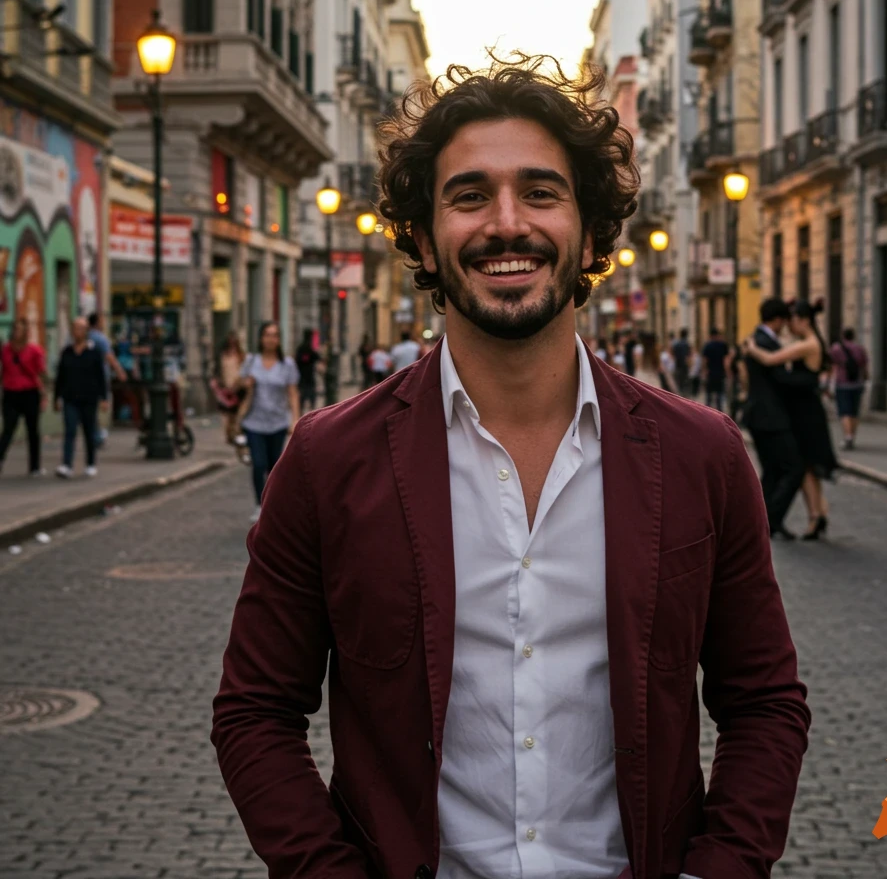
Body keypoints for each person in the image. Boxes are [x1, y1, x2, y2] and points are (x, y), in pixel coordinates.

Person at [212, 54, 810, 879]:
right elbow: (254, 712)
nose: (505, 224)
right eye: (467, 196)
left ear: (592, 230)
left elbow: (765, 703)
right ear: (422, 235)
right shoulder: (327, 461)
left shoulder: (701, 456)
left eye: (540, 191)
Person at [744, 299, 840, 540]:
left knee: (802, 467)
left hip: (805, 413)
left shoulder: (807, 344)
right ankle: (816, 516)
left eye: (793, 320)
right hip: (799, 411)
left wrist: (751, 348)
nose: (788, 325)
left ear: (803, 321)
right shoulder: (803, 343)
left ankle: (812, 517)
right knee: (805, 467)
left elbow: (769, 360)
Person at [239, 322, 300, 522]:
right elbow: (237, 385)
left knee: (274, 467)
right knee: (258, 464)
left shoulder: (287, 364)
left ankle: (272, 505)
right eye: (267, 335)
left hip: (277, 423)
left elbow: (292, 393)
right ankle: (259, 505)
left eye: (275, 335)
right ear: (260, 338)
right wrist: (245, 384)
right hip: (253, 422)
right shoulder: (251, 361)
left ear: (279, 340)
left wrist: (295, 419)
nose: (271, 339)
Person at [53, 317, 108, 479]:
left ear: (86, 332)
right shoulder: (67, 352)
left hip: (89, 398)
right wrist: (57, 397)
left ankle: (90, 464)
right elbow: (60, 376)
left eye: (81, 328)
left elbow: (100, 376)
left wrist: (104, 398)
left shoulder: (94, 352)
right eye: (75, 328)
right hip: (70, 397)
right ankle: (66, 465)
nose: (77, 332)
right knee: (70, 430)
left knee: (88, 431)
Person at [0, 318, 47, 477]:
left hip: (30, 393)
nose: (16, 332)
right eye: (15, 329)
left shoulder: (34, 350)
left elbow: (41, 372)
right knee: (8, 429)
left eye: (20, 329)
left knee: (33, 430)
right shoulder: (5, 350)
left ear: (26, 332)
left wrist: (44, 394)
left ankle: (34, 466)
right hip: (10, 393)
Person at [87, 311, 127, 447]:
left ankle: (94, 435)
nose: (104, 322)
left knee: (90, 408)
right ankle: (97, 436)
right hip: (100, 378)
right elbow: (109, 356)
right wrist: (120, 371)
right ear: (97, 322)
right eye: (102, 320)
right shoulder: (100, 338)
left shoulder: (85, 337)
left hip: (86, 378)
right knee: (100, 407)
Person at [830, 327, 869, 451]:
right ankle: (852, 436)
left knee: (844, 411)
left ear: (843, 336)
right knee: (854, 411)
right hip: (857, 384)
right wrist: (865, 379)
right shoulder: (859, 349)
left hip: (842, 383)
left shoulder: (836, 349)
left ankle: (848, 437)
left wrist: (830, 382)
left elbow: (832, 365)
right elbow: (864, 366)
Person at [701, 327, 729, 411]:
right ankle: (720, 412)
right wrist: (727, 372)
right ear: (718, 335)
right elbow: (725, 361)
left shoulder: (707, 346)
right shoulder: (723, 345)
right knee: (720, 394)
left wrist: (704, 371)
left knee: (709, 394)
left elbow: (705, 360)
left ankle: (707, 411)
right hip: (720, 373)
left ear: (710, 336)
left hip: (710, 373)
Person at [294, 329, 322, 412]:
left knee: (301, 400)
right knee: (311, 399)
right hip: (309, 377)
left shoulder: (300, 348)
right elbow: (318, 358)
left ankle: (301, 413)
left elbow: (297, 361)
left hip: (301, 377)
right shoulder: (310, 348)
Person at [671, 327, 691, 394]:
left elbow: (673, 354)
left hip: (678, 365)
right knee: (684, 382)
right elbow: (687, 356)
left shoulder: (677, 344)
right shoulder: (686, 344)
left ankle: (679, 394)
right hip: (684, 366)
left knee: (679, 382)